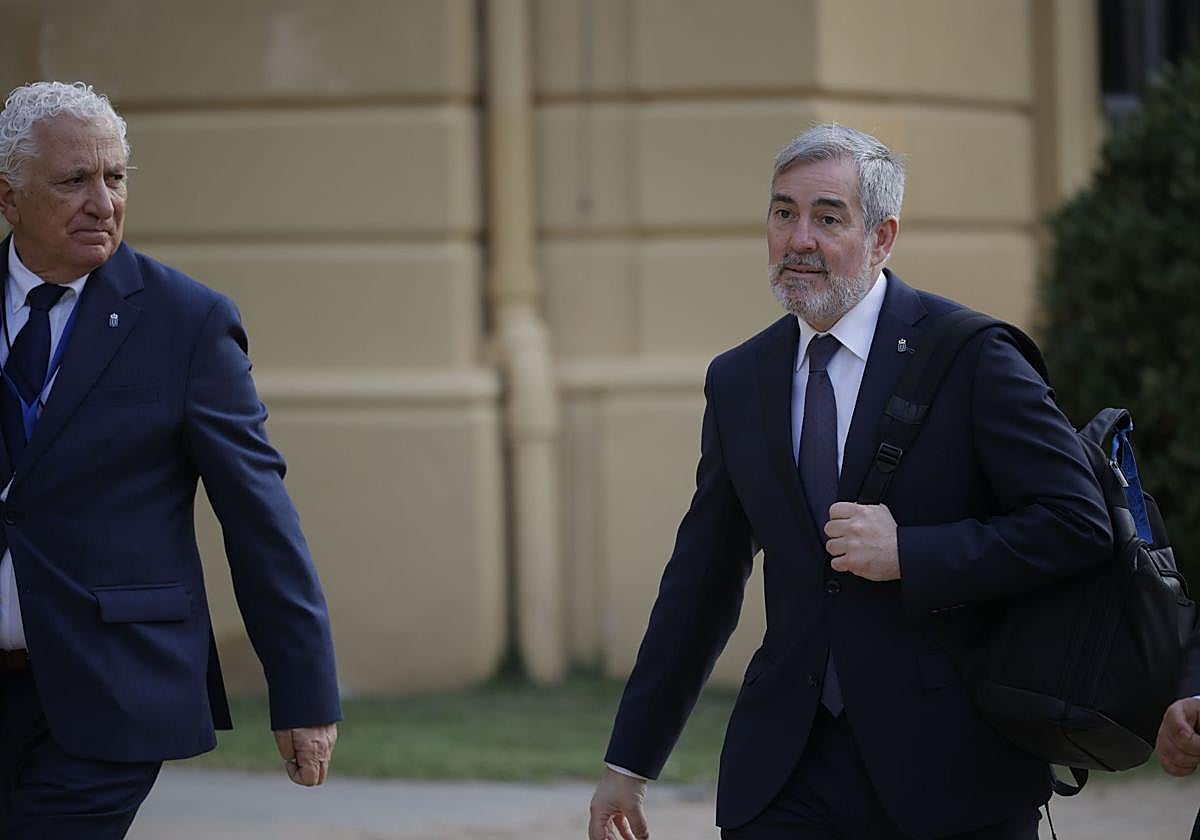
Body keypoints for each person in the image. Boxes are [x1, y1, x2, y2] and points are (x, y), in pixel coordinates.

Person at [587, 124, 1112, 840]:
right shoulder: (740, 381)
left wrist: (913, 554)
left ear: (882, 237)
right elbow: (702, 582)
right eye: (783, 213)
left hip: (952, 773)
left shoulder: (972, 357)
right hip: (787, 770)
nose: (799, 238)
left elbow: (1078, 524)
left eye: (828, 218)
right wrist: (629, 762)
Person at [0, 81, 340, 838]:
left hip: (110, 689)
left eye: (115, 177)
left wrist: (305, 693)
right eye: (73, 181)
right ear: (9, 197)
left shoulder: (187, 323)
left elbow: (258, 516)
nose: (102, 202)